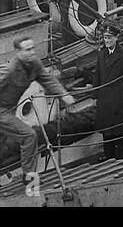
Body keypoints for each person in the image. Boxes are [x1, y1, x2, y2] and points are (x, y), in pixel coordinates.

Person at [0, 36, 75, 186]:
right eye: (28, 50)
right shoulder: (9, 70)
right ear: (19, 52)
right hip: (1, 111)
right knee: (29, 136)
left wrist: (64, 95)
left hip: (10, 109)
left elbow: (47, 80)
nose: (32, 52)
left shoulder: (34, 64)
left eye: (33, 48)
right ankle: (30, 178)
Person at [93, 25, 123, 160]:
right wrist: (95, 94)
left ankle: (120, 155)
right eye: (105, 38)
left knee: (119, 128)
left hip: (119, 96)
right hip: (105, 97)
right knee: (106, 129)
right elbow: (97, 75)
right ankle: (108, 154)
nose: (107, 41)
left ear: (116, 38)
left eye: (109, 38)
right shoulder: (101, 54)